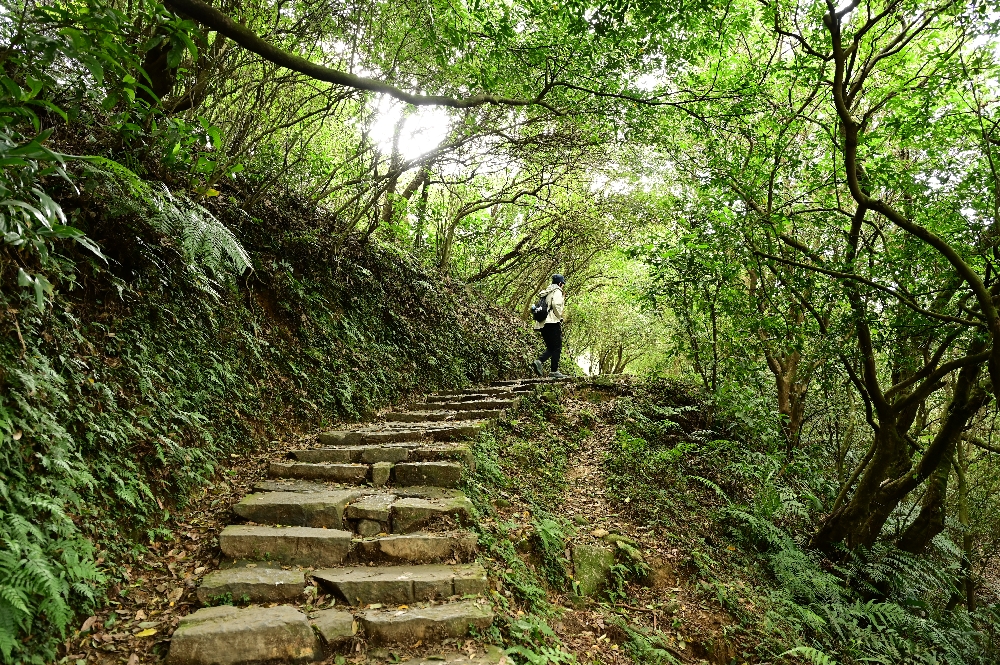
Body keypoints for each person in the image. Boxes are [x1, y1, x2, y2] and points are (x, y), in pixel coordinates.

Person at [533, 274, 567, 378]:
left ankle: (539, 361)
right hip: (552, 321)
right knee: (557, 346)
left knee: (551, 347)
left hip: (542, 323)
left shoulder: (546, 292)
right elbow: (556, 305)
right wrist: (559, 316)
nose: (563, 286)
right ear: (560, 283)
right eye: (563, 284)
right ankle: (554, 371)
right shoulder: (557, 291)